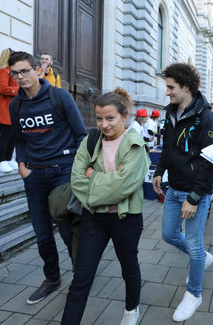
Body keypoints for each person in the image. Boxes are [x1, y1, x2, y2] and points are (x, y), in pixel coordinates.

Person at [62, 88, 150, 325]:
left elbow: (125, 186)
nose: (104, 124)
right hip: (94, 219)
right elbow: (76, 180)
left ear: (124, 116)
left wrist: (94, 175)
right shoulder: (90, 141)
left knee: (128, 267)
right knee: (82, 277)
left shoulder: (135, 145)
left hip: (126, 219)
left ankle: (132, 310)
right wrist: (108, 182)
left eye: (110, 118)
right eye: (99, 118)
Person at [8, 51, 87, 304]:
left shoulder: (59, 96)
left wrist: (79, 169)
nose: (20, 77)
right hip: (35, 174)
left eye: (24, 71)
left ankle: (81, 275)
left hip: (63, 171)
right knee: (42, 234)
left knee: (67, 230)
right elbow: (19, 140)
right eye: (15, 73)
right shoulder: (15, 105)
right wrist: (22, 165)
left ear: (37, 70)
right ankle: (52, 278)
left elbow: (81, 135)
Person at [152, 62, 213, 322]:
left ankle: (194, 293)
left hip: (195, 193)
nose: (167, 92)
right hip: (173, 188)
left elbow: (209, 161)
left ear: (186, 87)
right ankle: (203, 257)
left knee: (193, 243)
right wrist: (159, 171)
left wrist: (194, 197)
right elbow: (168, 148)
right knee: (169, 235)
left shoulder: (207, 116)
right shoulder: (170, 112)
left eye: (171, 87)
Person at [0, 48, 19, 173]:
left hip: (11, 108)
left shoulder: (11, 71)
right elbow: (2, 88)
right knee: (5, 135)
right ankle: (1, 160)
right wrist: (16, 90)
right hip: (4, 108)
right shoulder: (3, 71)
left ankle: (8, 159)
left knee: (12, 135)